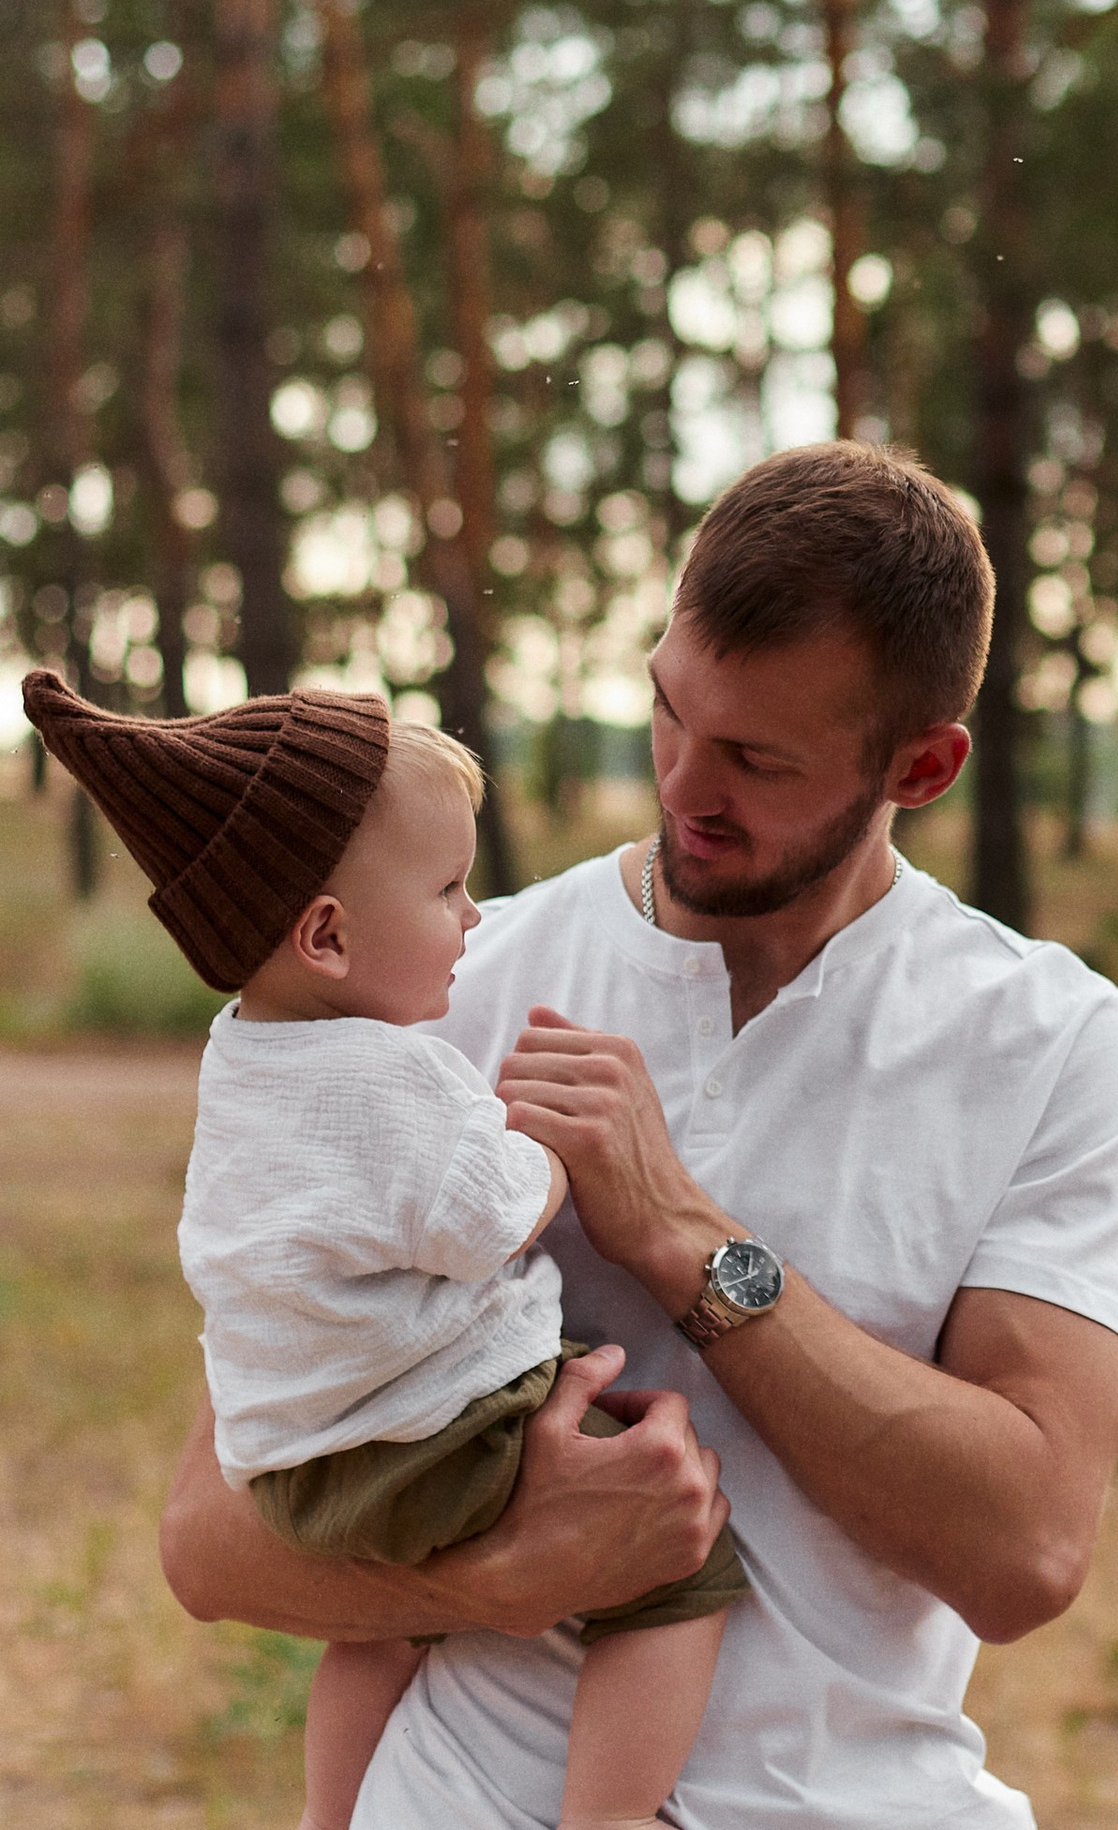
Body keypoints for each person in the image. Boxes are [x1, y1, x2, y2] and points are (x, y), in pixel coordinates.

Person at [158, 440, 1118, 1830]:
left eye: (755, 757)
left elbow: (1029, 1552)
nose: (685, 784)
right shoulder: (442, 982)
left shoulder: (1048, 1040)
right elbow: (209, 1543)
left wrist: (691, 1243)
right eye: (669, 715)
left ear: (921, 766)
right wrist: (487, 1577)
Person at [22, 673, 750, 1830]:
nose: (474, 918)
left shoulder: (242, 1056)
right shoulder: (387, 1069)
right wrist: (553, 1144)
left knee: (382, 1626)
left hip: (301, 1467)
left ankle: (330, 1816)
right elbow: (484, 1216)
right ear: (326, 933)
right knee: (683, 1563)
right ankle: (609, 1818)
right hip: (432, 1441)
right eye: (451, 889)